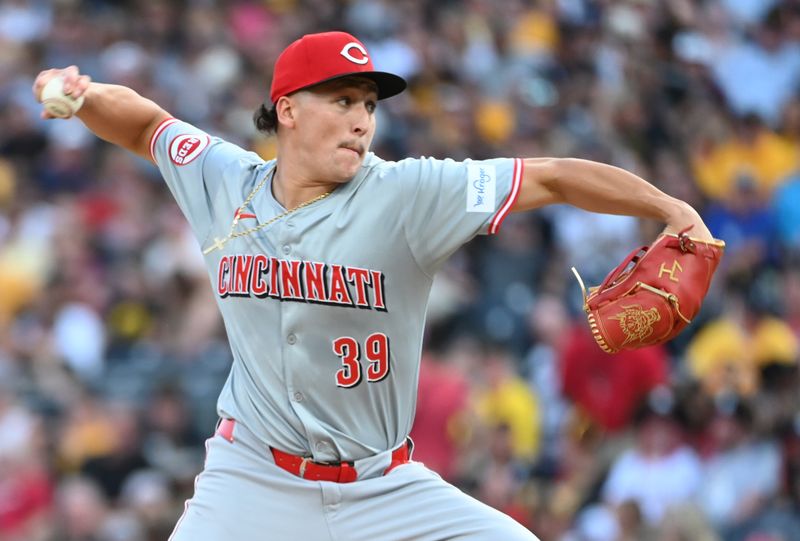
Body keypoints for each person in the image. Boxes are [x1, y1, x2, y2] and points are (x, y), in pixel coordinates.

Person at [33, 30, 713, 541]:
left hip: (382, 487)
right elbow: (148, 123)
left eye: (368, 103)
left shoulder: (408, 192)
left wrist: (667, 208)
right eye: (342, 99)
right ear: (288, 109)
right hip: (252, 477)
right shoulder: (224, 180)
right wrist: (86, 96)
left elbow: (553, 175)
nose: (362, 118)